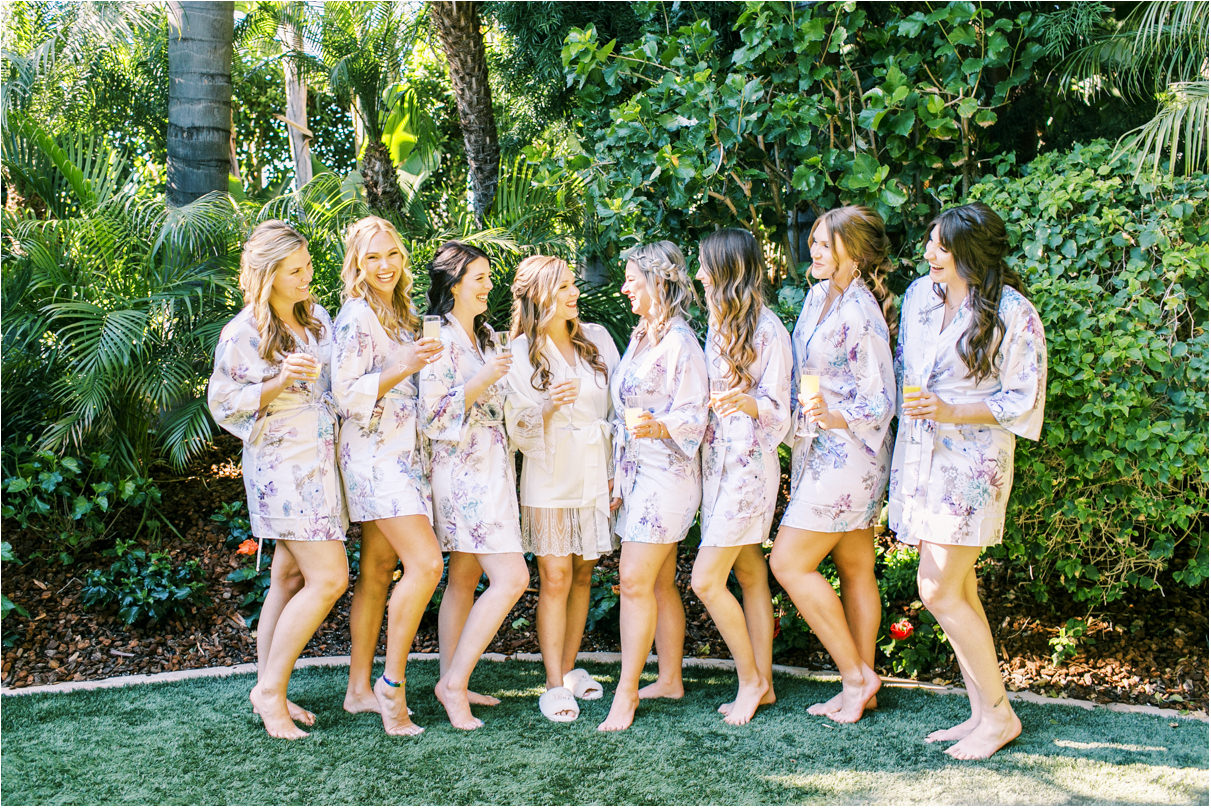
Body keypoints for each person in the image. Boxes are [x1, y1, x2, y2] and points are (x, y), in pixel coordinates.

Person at [890, 201, 1047, 759]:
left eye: (941, 245)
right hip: (921, 458)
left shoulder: (1013, 312)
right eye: (930, 242)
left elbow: (1021, 399)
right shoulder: (917, 297)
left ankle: (1000, 715)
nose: (929, 253)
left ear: (968, 254)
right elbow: (909, 367)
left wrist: (951, 410)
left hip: (972, 467)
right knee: (960, 589)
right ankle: (982, 711)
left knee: (935, 589)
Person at [207, 220, 348, 740]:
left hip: (324, 463)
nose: (308, 275)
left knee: (288, 577)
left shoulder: (320, 322)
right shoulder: (242, 332)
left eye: (308, 264)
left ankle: (270, 687)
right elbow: (224, 403)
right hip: (281, 467)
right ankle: (270, 693)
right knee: (329, 578)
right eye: (295, 270)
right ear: (267, 275)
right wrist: (280, 380)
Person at [769, 206, 898, 724]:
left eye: (824, 244)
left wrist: (834, 414)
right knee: (854, 565)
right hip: (818, 447)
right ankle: (860, 689)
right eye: (815, 242)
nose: (813, 251)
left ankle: (855, 675)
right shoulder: (819, 296)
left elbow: (883, 400)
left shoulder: (862, 313)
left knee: (787, 562)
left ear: (855, 254)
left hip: (850, 454)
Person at [331, 216, 444, 736]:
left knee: (378, 571)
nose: (384, 266)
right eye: (373, 257)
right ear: (356, 263)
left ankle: (357, 690)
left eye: (392, 255)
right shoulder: (356, 315)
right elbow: (346, 393)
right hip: (375, 455)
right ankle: (390, 687)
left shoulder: (402, 312)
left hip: (406, 452)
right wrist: (403, 364)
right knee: (425, 563)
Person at [504, 255, 621, 722]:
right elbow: (516, 430)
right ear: (537, 297)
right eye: (562, 287)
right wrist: (548, 406)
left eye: (573, 284)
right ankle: (552, 685)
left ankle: (571, 669)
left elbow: (619, 409)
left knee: (584, 575)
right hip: (550, 477)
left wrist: (617, 471)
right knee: (554, 578)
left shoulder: (597, 340)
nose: (573, 293)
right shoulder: (516, 353)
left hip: (594, 471)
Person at [599, 241, 708, 733]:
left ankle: (626, 693)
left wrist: (658, 427)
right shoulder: (643, 334)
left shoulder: (681, 341)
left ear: (658, 282)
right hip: (639, 473)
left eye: (632, 280)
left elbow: (694, 415)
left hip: (668, 476)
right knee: (660, 582)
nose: (624, 288)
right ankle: (669, 678)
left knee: (635, 583)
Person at [420, 241, 529, 731]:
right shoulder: (436, 335)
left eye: (488, 277)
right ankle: (454, 684)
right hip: (461, 469)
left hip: (493, 464)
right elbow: (434, 413)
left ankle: (451, 677)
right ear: (455, 283)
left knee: (464, 577)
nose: (488, 286)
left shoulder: (486, 334)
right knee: (512, 577)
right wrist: (484, 378)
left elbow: (501, 398)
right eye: (480, 278)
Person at [692, 228, 793, 726]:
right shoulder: (717, 323)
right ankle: (766, 684)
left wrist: (747, 401)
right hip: (717, 466)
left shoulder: (768, 328)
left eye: (705, 265)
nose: (698, 274)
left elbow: (781, 409)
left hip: (749, 468)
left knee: (706, 580)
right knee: (750, 573)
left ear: (728, 268)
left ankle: (751, 680)